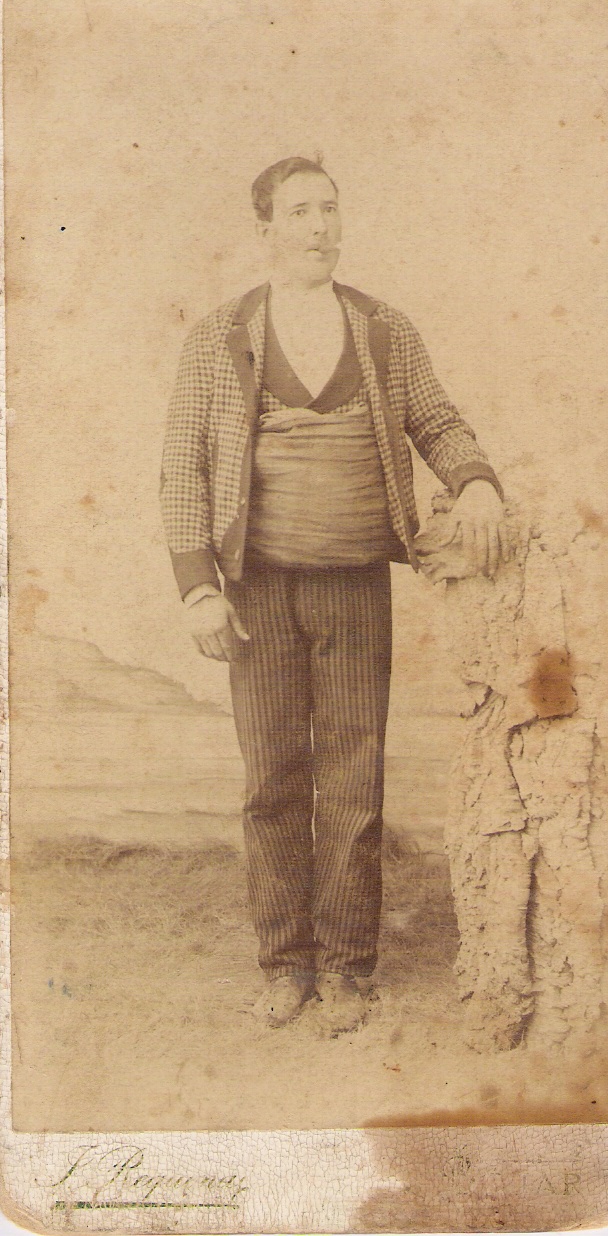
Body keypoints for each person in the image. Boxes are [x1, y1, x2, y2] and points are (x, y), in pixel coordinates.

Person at [160, 156, 506, 1034]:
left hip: (356, 587)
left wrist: (475, 482)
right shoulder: (219, 335)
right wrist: (199, 589)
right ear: (266, 229)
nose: (319, 227)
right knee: (272, 780)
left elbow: (437, 419)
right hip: (257, 594)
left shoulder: (384, 329)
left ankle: (349, 968)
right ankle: (286, 965)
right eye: (300, 212)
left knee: (355, 779)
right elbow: (183, 467)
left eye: (329, 209)